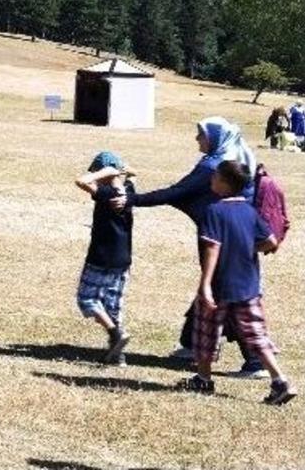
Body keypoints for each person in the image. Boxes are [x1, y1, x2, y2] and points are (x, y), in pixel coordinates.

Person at [125, 116, 261, 374]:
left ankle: (255, 360)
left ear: (215, 137)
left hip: (219, 239)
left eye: (201, 134)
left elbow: (178, 192)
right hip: (232, 237)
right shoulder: (227, 161)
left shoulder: (215, 167)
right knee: (217, 290)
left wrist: (132, 199)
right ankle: (190, 343)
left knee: (225, 293)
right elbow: (185, 195)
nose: (197, 139)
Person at [179, 159, 296, 405]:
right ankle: (280, 380)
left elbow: (212, 248)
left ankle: (203, 378)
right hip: (248, 284)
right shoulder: (249, 211)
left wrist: (205, 284)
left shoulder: (214, 210)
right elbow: (272, 241)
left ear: (224, 183)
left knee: (206, 332)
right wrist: (248, 248)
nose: (211, 180)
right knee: (256, 334)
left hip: (222, 284)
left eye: (215, 177)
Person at [74, 151, 135, 365]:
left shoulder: (105, 193)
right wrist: (118, 171)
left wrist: (105, 172)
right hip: (123, 258)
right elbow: (133, 173)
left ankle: (115, 334)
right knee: (113, 305)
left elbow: (81, 181)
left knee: (87, 299)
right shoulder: (128, 190)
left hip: (101, 256)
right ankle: (118, 356)